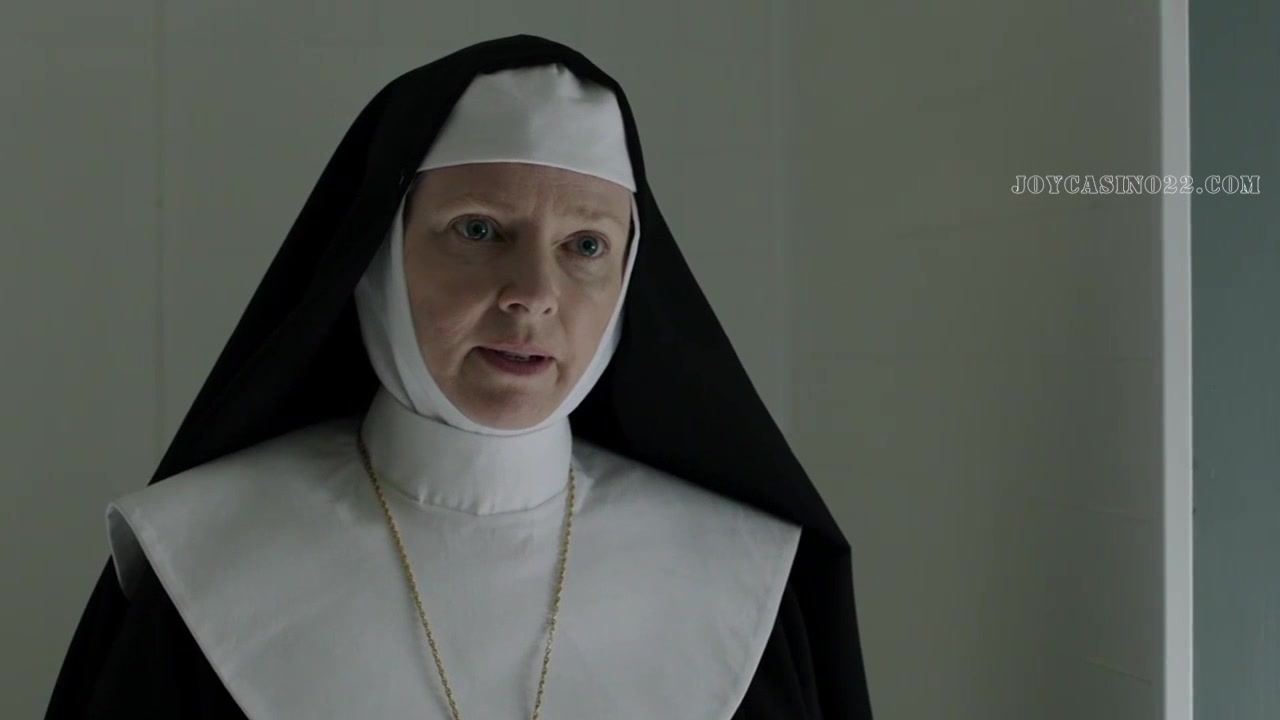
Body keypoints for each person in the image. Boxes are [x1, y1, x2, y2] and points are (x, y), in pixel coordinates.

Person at [45, 35, 873, 719]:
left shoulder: (737, 589)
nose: (533, 294)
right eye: (479, 230)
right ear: (378, 257)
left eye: (585, 246)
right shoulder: (205, 573)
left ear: (628, 280)